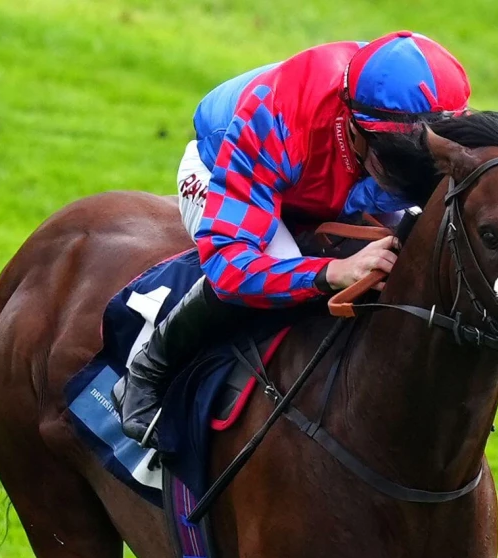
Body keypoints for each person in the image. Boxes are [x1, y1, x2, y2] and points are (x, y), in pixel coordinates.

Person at [119, 31, 472, 447]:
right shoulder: (275, 120)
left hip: (332, 178)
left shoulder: (427, 112)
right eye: (397, 160)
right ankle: (149, 369)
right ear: (355, 128)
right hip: (226, 164)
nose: (410, 177)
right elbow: (229, 266)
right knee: (284, 282)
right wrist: (331, 272)